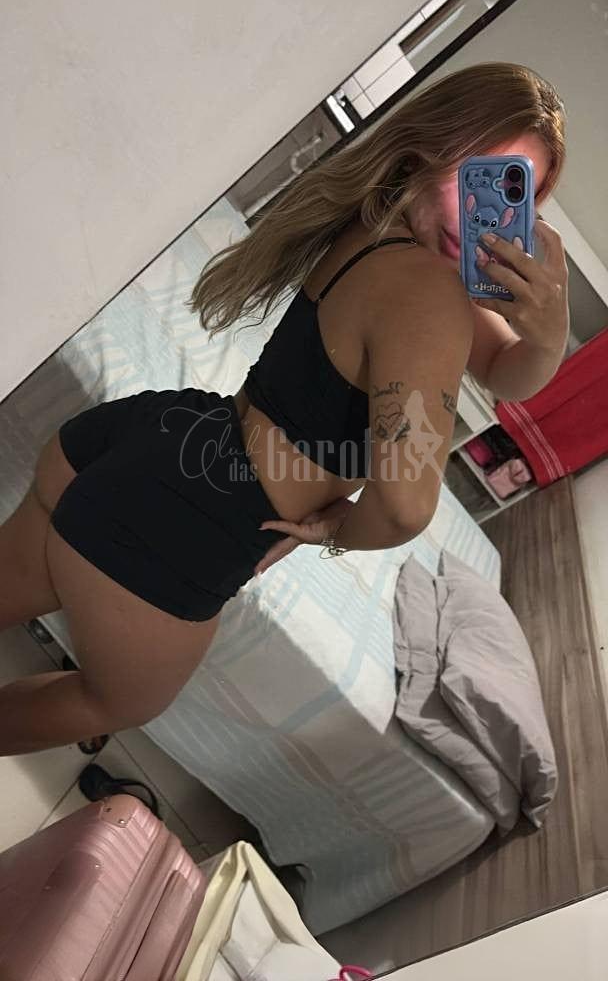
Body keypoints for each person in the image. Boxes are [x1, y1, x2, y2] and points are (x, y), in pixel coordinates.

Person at [0, 61, 570, 756]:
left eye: (513, 193)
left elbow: (507, 371)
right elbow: (404, 507)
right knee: (114, 701)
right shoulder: (429, 294)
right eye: (480, 170)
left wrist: (546, 333)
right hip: (195, 521)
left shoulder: (378, 226)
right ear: (434, 144)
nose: (486, 209)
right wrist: (335, 530)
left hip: (158, 436)